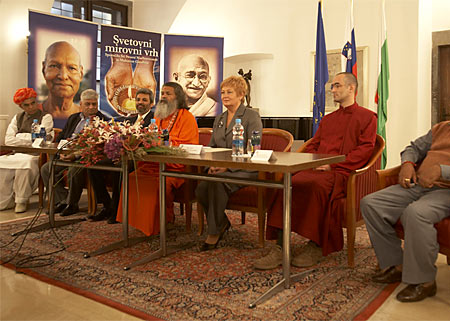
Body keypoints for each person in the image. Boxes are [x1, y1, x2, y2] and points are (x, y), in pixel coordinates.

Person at [360, 85, 450, 303]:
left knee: (416, 213)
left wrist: (443, 171)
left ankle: (424, 282)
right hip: (419, 185)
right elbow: (414, 148)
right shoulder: (443, 127)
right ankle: (396, 265)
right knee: (371, 203)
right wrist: (407, 163)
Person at [253, 72, 377, 269]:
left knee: (315, 186)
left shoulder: (367, 117)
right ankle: (280, 246)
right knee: (285, 183)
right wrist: (310, 162)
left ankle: (316, 245)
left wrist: (331, 165)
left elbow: (365, 150)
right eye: (332, 86)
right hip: (316, 169)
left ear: (351, 88)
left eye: (337, 86)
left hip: (342, 172)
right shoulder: (328, 120)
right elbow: (313, 145)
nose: (333, 90)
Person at [116, 82, 199, 235]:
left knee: (160, 183)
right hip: (154, 164)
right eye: (163, 93)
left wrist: (162, 141)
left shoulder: (187, 117)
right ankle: (139, 222)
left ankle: (164, 220)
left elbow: (188, 145)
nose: (164, 97)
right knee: (132, 177)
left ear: (178, 97)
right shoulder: (158, 116)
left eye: (168, 94)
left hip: (176, 167)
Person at [195, 75, 263, 251]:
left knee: (217, 184)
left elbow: (253, 149)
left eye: (229, 92)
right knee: (201, 188)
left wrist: (228, 166)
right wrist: (211, 166)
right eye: (222, 92)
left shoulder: (251, 116)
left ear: (241, 95)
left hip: (246, 169)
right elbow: (211, 147)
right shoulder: (219, 118)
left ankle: (213, 233)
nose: (224, 95)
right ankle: (222, 222)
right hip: (220, 168)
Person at [87, 88, 156, 224]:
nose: (140, 102)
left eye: (144, 100)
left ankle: (117, 210)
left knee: (119, 168)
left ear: (151, 103)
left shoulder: (154, 120)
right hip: (122, 155)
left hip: (139, 159)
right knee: (93, 165)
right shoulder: (128, 119)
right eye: (138, 99)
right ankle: (107, 205)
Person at [41, 89, 108, 216]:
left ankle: (72, 205)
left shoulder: (103, 120)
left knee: (73, 170)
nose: (91, 107)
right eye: (87, 104)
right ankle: (62, 200)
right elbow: (61, 137)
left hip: (84, 157)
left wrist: (76, 155)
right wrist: (61, 152)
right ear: (81, 105)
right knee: (46, 168)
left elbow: (99, 146)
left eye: (94, 104)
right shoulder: (73, 118)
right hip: (66, 153)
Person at [0, 88, 54, 213]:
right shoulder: (17, 118)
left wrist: (19, 136)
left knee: (25, 164)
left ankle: (21, 200)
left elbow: (40, 140)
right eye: (26, 105)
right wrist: (30, 138)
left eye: (33, 103)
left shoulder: (46, 117)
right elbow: (8, 140)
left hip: (36, 155)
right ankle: (6, 200)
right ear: (21, 106)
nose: (31, 107)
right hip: (17, 154)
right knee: (2, 163)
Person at [41, 41, 84, 127]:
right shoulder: (34, 113)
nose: (63, 76)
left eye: (72, 68)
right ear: (44, 70)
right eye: (54, 66)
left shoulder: (88, 117)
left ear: (81, 74)